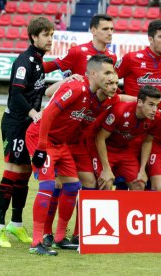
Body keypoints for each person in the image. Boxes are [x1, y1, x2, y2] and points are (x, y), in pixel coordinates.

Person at [29, 55, 115, 256]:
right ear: (93, 74)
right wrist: (41, 147)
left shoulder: (92, 94)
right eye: (107, 72)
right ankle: (36, 242)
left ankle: (59, 238)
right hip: (42, 138)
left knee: (73, 186)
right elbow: (49, 112)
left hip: (60, 143)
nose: (111, 77)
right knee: (48, 185)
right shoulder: (77, 87)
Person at [0, 16, 54, 248]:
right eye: (46, 35)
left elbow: (36, 90)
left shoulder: (38, 61)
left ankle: (16, 223)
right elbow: (16, 94)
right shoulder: (24, 61)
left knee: (26, 172)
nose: (50, 39)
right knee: (12, 171)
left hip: (29, 126)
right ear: (34, 36)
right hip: (15, 123)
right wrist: (33, 113)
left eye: (51, 35)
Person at [95, 85, 161, 190]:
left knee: (139, 185)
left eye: (157, 105)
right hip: (107, 149)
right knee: (106, 183)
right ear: (139, 102)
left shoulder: (156, 117)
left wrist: (142, 169)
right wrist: (106, 168)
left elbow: (148, 142)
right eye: (151, 105)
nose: (155, 109)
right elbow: (100, 138)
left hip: (125, 150)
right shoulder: (120, 111)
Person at [43, 14, 117, 75]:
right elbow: (47, 67)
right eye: (105, 29)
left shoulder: (113, 57)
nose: (110, 33)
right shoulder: (76, 52)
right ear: (93, 31)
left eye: (111, 29)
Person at [116, 19, 161, 96]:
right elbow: (110, 79)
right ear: (150, 39)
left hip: (156, 106)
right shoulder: (131, 58)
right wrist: (120, 97)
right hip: (133, 106)